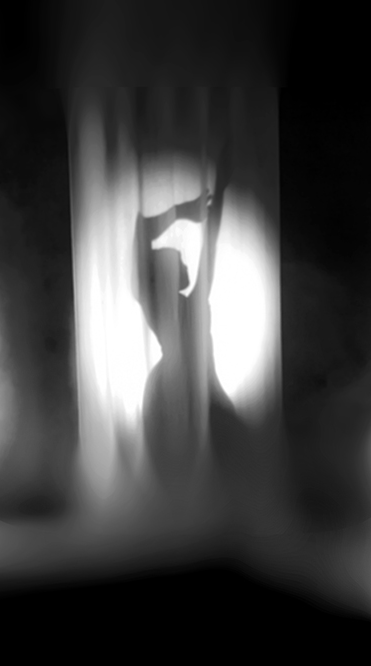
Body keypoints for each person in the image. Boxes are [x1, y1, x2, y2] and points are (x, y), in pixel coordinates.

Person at [134, 142, 243, 491]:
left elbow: (210, 245)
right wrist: (185, 209)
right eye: (178, 259)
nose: (184, 262)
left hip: (197, 391)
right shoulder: (165, 304)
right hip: (179, 394)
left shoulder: (187, 302)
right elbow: (140, 236)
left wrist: (215, 195)